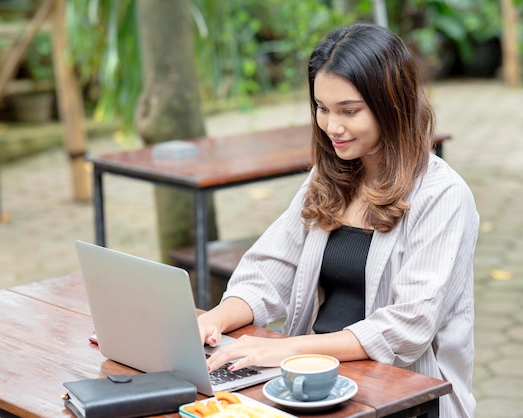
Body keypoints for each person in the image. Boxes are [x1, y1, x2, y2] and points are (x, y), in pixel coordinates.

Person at [198, 21, 479, 417]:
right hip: (315, 381)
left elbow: (407, 328)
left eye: (349, 111)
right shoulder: (329, 177)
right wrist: (212, 321)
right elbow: (269, 269)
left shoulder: (443, 195)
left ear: (391, 106)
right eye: (322, 108)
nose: (332, 126)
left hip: (400, 395)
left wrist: (285, 349)